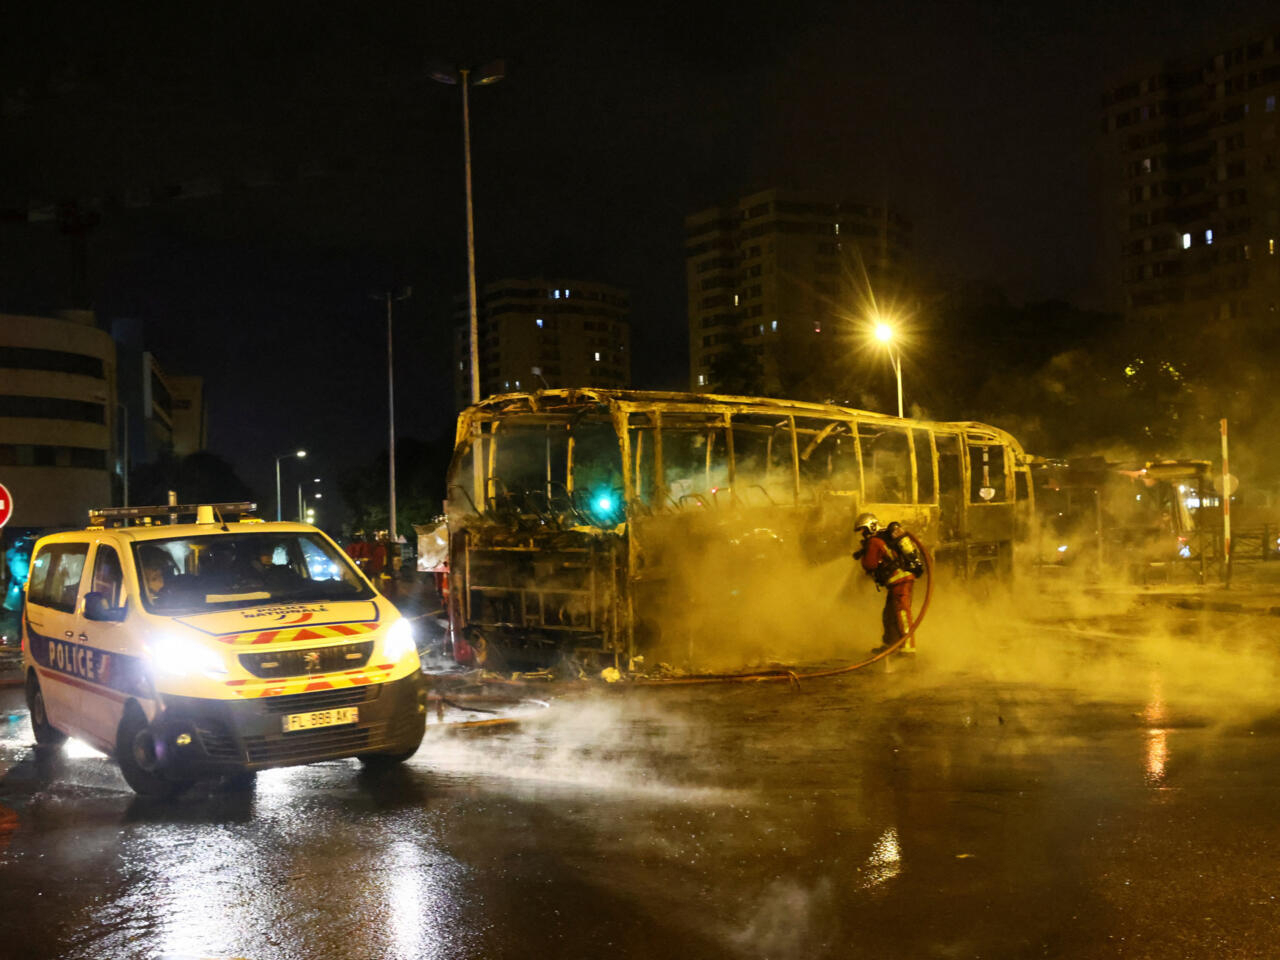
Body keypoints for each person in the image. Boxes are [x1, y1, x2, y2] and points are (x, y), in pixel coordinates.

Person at [854, 513, 924, 654]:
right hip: (898, 580)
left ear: (870, 527)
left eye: (863, 530)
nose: (863, 534)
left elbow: (870, 564)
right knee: (889, 614)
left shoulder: (874, 542)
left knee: (902, 613)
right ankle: (890, 645)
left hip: (900, 580)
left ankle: (908, 650)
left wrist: (864, 555)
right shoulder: (881, 538)